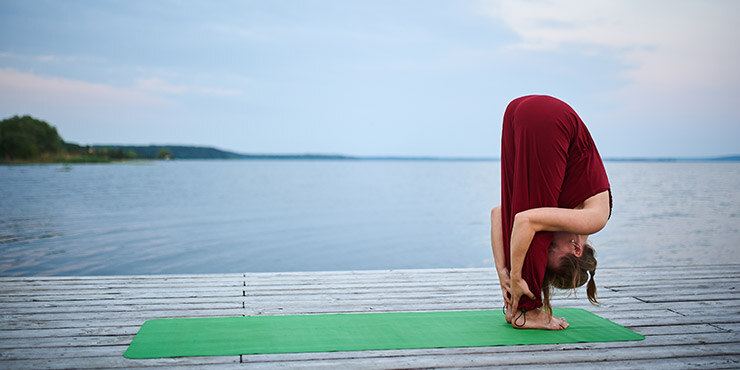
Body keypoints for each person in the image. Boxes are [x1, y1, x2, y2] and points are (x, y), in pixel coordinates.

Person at [490, 95, 612, 330]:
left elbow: (499, 215)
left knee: (526, 222)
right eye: (552, 248)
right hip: (551, 120)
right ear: (576, 248)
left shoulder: (570, 221)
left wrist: (503, 274)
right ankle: (526, 311)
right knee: (533, 224)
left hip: (518, 110)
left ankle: (522, 305)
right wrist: (517, 278)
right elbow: (525, 221)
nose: (548, 244)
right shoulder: (593, 219)